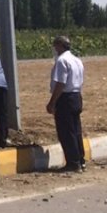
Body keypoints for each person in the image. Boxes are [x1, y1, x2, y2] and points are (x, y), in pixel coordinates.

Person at [47, 35, 86, 172]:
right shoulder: (77, 60)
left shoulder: (62, 61)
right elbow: (80, 81)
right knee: (76, 131)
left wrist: (52, 102)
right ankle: (81, 160)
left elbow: (61, 83)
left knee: (66, 132)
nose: (54, 49)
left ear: (60, 46)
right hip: (76, 96)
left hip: (65, 98)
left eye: (55, 46)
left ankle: (73, 163)